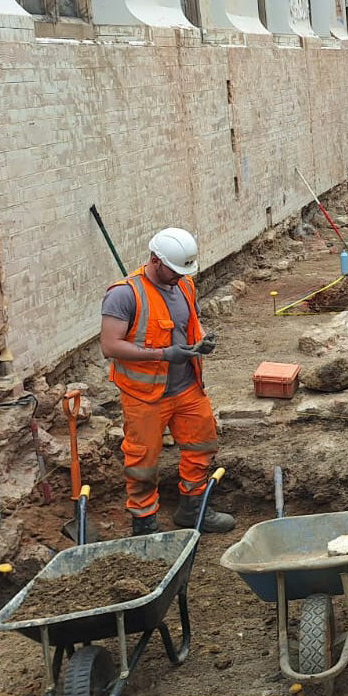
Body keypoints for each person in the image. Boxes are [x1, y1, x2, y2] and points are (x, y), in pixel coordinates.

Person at [99, 227, 234, 535]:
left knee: (201, 446)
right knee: (142, 462)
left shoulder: (185, 284)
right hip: (144, 395)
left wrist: (201, 342)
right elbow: (110, 346)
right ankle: (144, 524)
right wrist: (164, 354)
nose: (178, 277)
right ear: (155, 260)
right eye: (173, 271)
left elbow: (187, 326)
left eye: (182, 271)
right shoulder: (124, 294)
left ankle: (193, 508)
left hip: (187, 386)